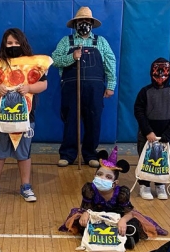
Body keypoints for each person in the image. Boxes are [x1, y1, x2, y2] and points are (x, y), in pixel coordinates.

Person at [0, 28, 48, 203]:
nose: (13, 46)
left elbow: (43, 85)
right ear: (4, 44)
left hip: (25, 116)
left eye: (16, 42)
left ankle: (26, 186)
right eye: (9, 43)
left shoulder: (34, 64)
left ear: (23, 43)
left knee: (24, 153)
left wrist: (29, 88)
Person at [59, 146, 168, 247]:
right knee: (82, 223)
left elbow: (130, 213)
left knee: (133, 225)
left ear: (115, 183)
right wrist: (86, 214)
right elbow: (85, 208)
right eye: (99, 174)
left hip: (116, 218)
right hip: (96, 217)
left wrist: (123, 221)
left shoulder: (121, 193)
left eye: (108, 177)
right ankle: (105, 237)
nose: (102, 178)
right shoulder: (90, 189)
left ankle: (127, 240)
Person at [52, 7, 117, 168]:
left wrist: (110, 85)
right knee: (71, 121)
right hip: (71, 89)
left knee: (93, 121)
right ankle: (67, 154)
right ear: (75, 24)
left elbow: (110, 63)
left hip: (95, 90)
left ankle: (90, 154)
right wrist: (72, 57)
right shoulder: (66, 42)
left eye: (87, 22)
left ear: (92, 24)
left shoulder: (100, 42)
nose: (84, 24)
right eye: (81, 22)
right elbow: (54, 60)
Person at [134, 57, 170, 200]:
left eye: (164, 72)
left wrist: (168, 133)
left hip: (166, 135)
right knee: (145, 160)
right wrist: (147, 131)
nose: (160, 76)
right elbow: (139, 111)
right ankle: (144, 185)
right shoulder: (145, 92)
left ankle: (160, 185)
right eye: (157, 72)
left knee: (164, 161)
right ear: (152, 73)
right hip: (147, 135)